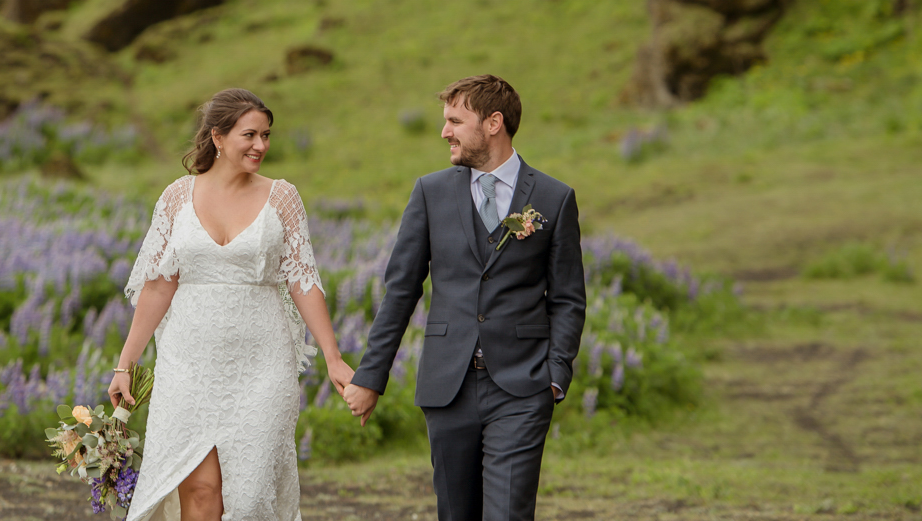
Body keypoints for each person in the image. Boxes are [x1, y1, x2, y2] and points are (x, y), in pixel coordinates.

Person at [344, 75, 586, 521]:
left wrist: (555, 374)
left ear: (493, 123)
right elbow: (401, 289)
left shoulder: (554, 198)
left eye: (455, 121)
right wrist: (371, 376)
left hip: (523, 386)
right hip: (447, 386)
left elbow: (568, 298)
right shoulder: (430, 192)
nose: (445, 132)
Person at [112, 88, 354, 521]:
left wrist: (333, 358)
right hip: (187, 364)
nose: (261, 145)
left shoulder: (282, 197)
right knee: (201, 491)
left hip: (263, 365)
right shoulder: (176, 197)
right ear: (218, 137)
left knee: (250, 499)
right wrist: (125, 364)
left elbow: (303, 281)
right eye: (250, 135)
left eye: (266, 135)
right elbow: (158, 287)